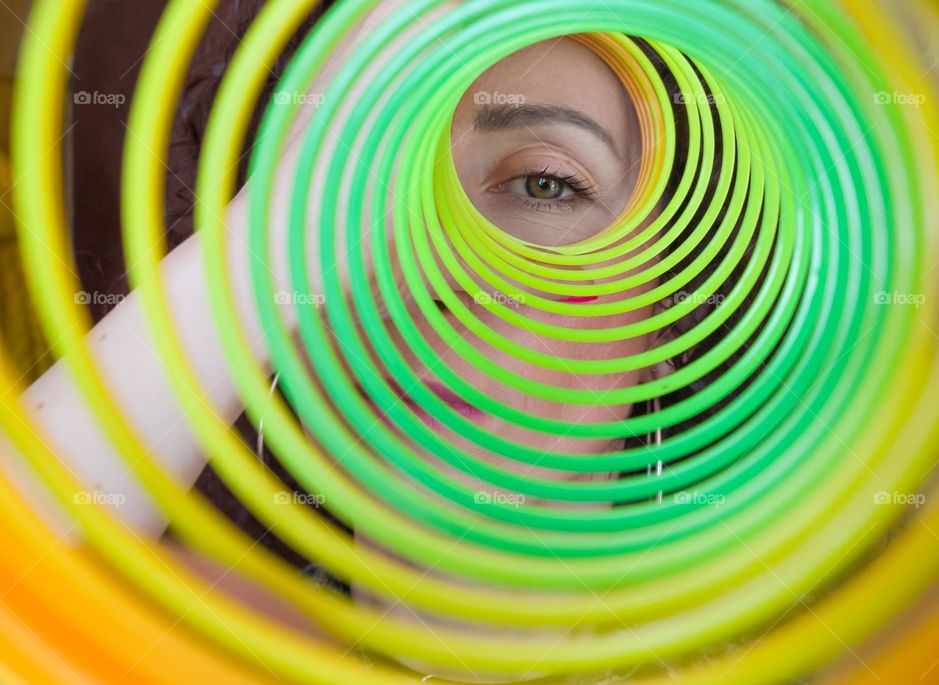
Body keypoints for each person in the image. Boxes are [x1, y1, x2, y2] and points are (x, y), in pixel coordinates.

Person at [6, 1, 744, 681]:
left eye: (543, 186)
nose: (421, 270)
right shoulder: (176, 635)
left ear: (673, 310)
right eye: (349, 186)